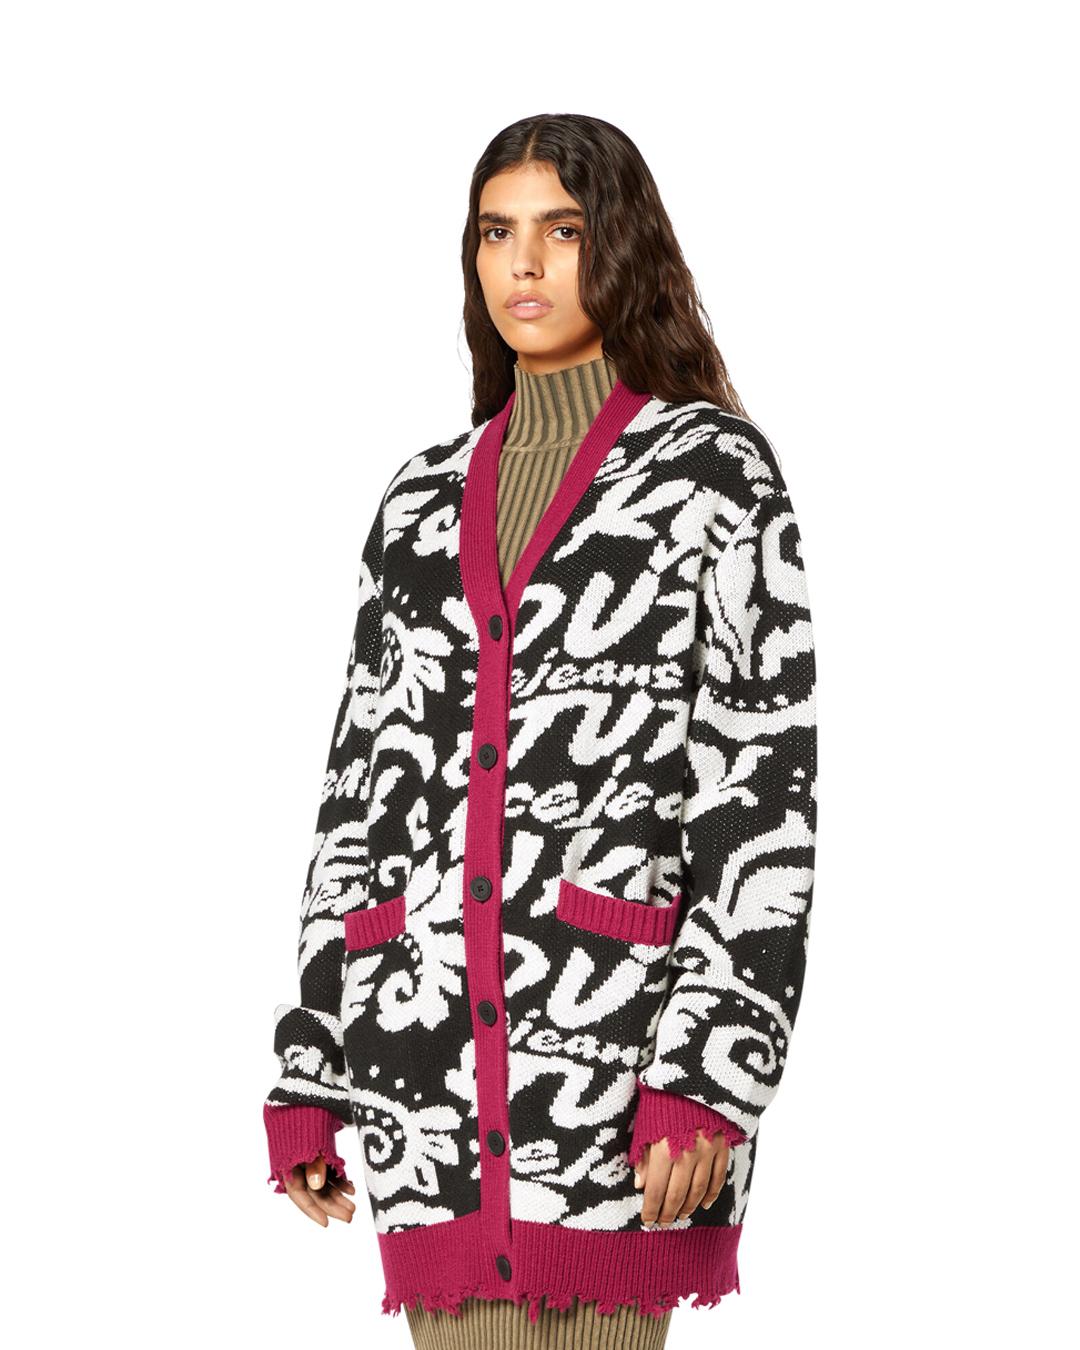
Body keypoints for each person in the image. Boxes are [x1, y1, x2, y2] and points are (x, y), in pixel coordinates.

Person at [262, 113, 818, 1350]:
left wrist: (711, 1072)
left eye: (561, 232)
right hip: (425, 1092)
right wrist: (311, 1064)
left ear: (619, 246)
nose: (522, 264)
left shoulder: (713, 475)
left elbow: (760, 795)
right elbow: (358, 798)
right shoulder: (417, 502)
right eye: (495, 233)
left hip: (616, 1076)